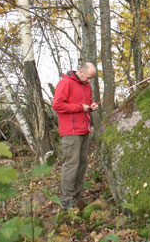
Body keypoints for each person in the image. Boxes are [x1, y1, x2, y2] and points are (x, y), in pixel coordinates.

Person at [52, 62, 98, 210]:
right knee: (71, 166)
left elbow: (86, 105)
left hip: (84, 131)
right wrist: (80, 108)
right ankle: (67, 200)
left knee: (82, 165)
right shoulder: (65, 83)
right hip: (70, 133)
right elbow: (57, 105)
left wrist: (91, 107)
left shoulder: (87, 86)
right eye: (89, 77)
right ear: (81, 72)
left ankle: (77, 197)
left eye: (92, 78)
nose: (89, 81)